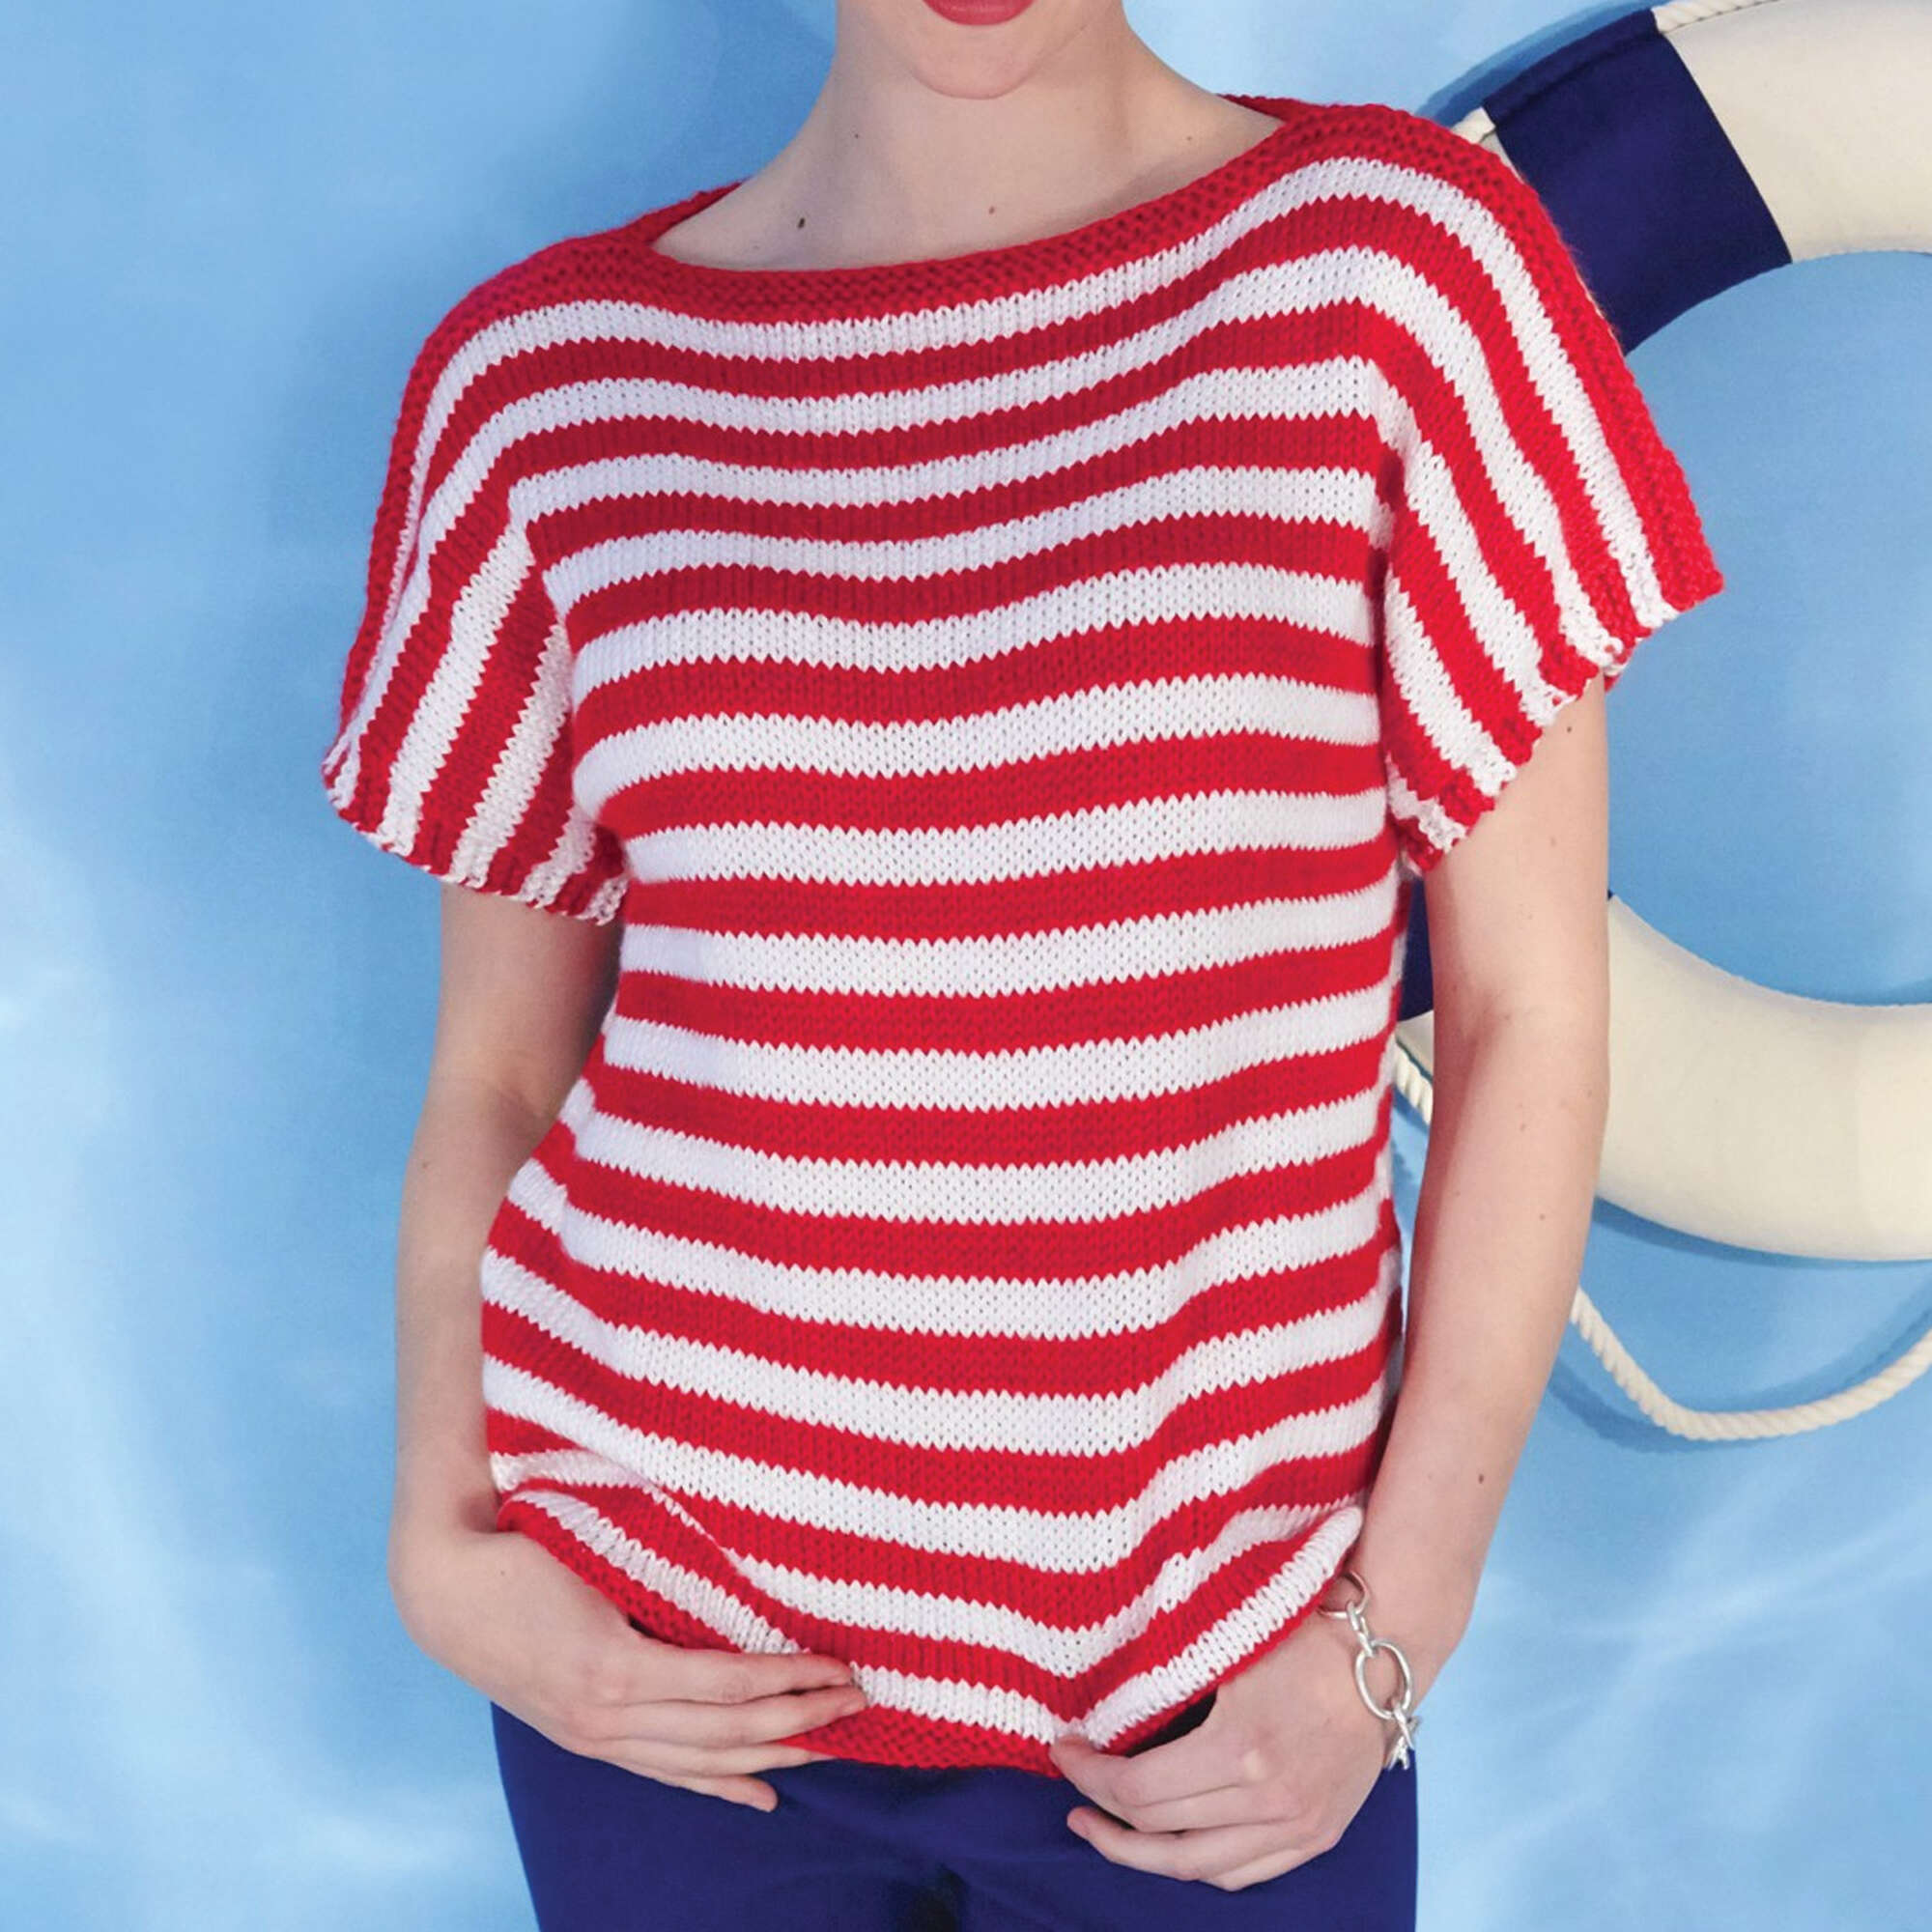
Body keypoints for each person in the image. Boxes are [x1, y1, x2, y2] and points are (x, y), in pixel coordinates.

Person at [320, 0, 1725, 1923]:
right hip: (654, 1680)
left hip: (1212, 1702)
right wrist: (442, 1545)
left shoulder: (1398, 271)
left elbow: (1524, 1010)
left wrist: (1394, 1625)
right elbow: (495, 1071)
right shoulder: (541, 386)